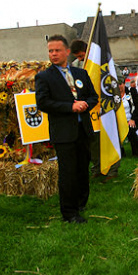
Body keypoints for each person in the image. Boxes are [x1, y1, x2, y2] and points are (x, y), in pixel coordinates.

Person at [34, 34, 98, 224]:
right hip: (63, 133)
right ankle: (69, 213)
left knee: (82, 168)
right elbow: (43, 102)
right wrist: (70, 107)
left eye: (57, 50)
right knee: (68, 172)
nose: (53, 54)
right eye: (50, 51)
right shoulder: (44, 76)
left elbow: (93, 97)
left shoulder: (81, 74)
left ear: (67, 52)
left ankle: (81, 202)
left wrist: (85, 104)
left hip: (83, 129)